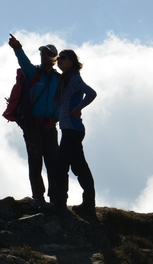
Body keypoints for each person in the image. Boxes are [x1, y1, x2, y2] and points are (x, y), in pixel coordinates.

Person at [8, 34, 60, 205]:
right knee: (35, 161)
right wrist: (17, 48)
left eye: (48, 54)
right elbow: (23, 62)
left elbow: (61, 102)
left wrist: (56, 118)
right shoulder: (33, 73)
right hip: (32, 124)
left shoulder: (59, 80)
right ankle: (38, 196)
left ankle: (55, 198)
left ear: (54, 58)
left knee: (53, 162)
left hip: (49, 126)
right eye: (42, 54)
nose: (44, 56)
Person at [49, 49, 96, 214]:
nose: (59, 60)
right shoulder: (66, 78)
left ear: (71, 61)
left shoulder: (74, 77)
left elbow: (91, 93)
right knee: (79, 167)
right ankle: (88, 205)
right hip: (71, 129)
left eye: (63, 58)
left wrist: (78, 108)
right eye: (58, 58)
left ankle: (60, 204)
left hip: (72, 129)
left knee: (60, 166)